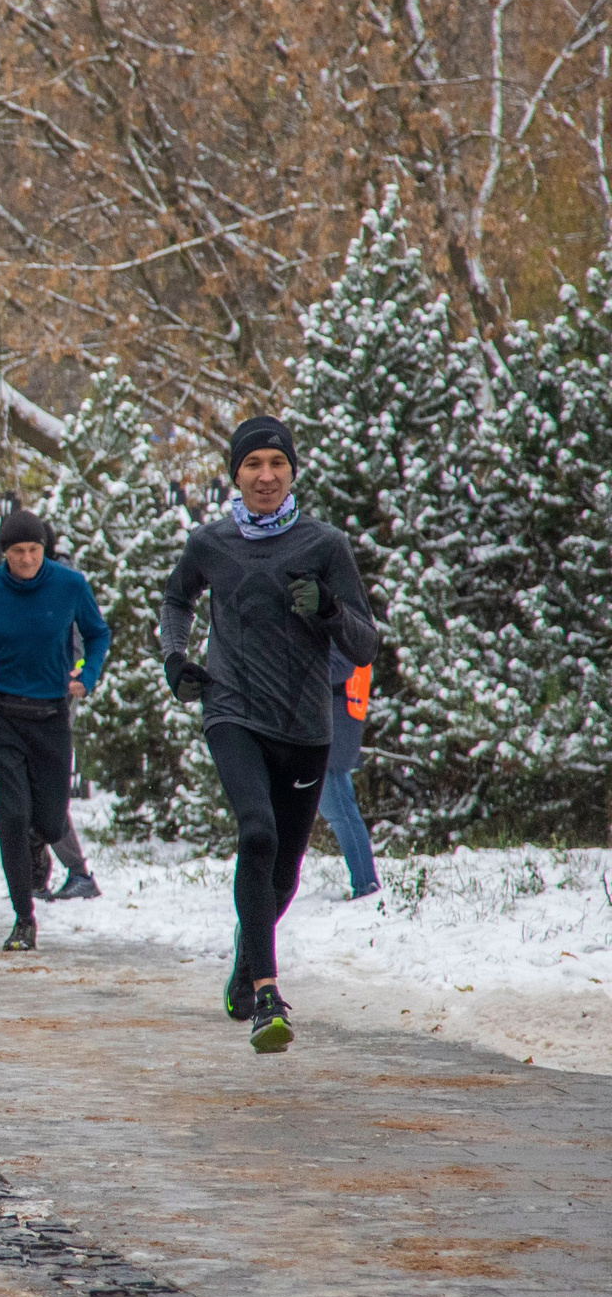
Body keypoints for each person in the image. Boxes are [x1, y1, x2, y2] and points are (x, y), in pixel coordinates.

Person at [161, 416, 378, 1052]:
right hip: (232, 711)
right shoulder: (211, 543)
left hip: (306, 725)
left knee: (283, 870)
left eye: (275, 464)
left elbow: (366, 642)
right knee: (256, 833)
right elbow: (176, 601)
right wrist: (177, 658)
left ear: (292, 473)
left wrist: (332, 611)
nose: (264, 475)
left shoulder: (325, 545)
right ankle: (265, 992)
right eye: (252, 464)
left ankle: (243, 959)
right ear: (235, 473)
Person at [0, 507, 109, 952]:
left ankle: (37, 842)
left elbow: (97, 635)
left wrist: (86, 676)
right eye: (18, 552)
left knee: (51, 820)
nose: (27, 559)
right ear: (4, 554)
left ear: (44, 549)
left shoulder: (70, 585)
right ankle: (23, 917)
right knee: (12, 815)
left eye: (34, 550)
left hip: (51, 713)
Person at [322, 651, 379, 899]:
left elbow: (340, 665)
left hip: (336, 722)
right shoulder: (345, 616)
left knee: (339, 810)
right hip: (335, 718)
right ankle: (365, 883)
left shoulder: (339, 616)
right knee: (340, 809)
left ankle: (365, 885)